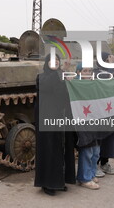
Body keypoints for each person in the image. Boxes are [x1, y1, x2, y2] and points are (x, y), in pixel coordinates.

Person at [34, 54, 76, 196]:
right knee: (49, 150)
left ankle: (59, 181)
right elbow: (51, 84)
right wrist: (62, 71)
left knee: (60, 150)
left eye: (57, 60)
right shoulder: (42, 78)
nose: (56, 62)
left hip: (60, 118)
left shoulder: (60, 75)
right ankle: (47, 183)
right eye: (53, 61)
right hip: (47, 119)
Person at [94, 52, 114, 177]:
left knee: (109, 139)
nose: (110, 61)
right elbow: (106, 81)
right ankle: (94, 164)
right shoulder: (96, 73)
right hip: (100, 111)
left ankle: (104, 162)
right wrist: (111, 66)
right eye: (106, 59)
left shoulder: (113, 72)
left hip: (112, 111)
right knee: (99, 138)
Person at [75, 63, 100, 190]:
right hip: (82, 121)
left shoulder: (93, 83)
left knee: (96, 151)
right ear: (78, 72)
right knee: (87, 150)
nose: (88, 73)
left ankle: (91, 173)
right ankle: (84, 178)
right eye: (85, 70)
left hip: (92, 120)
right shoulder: (76, 84)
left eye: (90, 70)